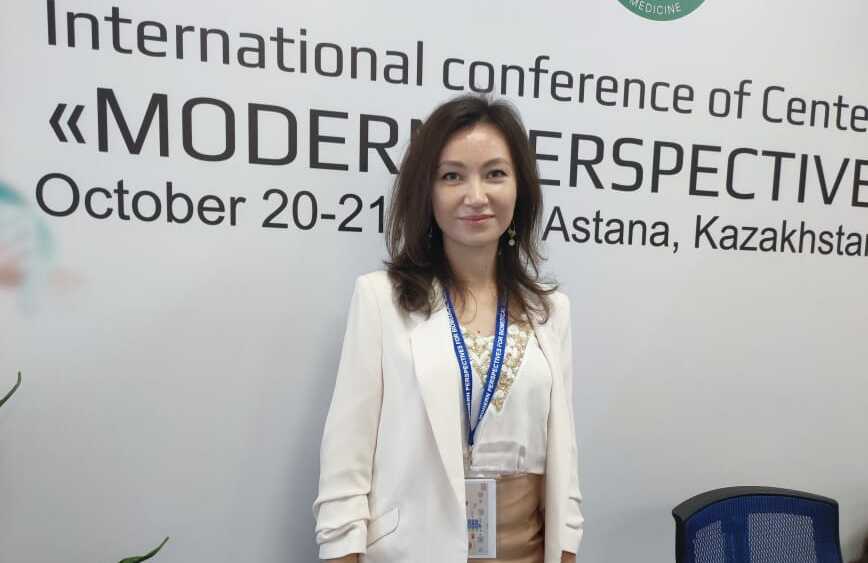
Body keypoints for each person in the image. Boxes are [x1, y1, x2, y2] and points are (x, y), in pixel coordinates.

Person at [312, 94, 583, 563]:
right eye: (452, 176)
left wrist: (567, 547)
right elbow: (345, 466)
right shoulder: (381, 300)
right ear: (427, 191)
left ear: (520, 187)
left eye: (495, 174)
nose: (476, 196)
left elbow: (565, 456)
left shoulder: (550, 310)